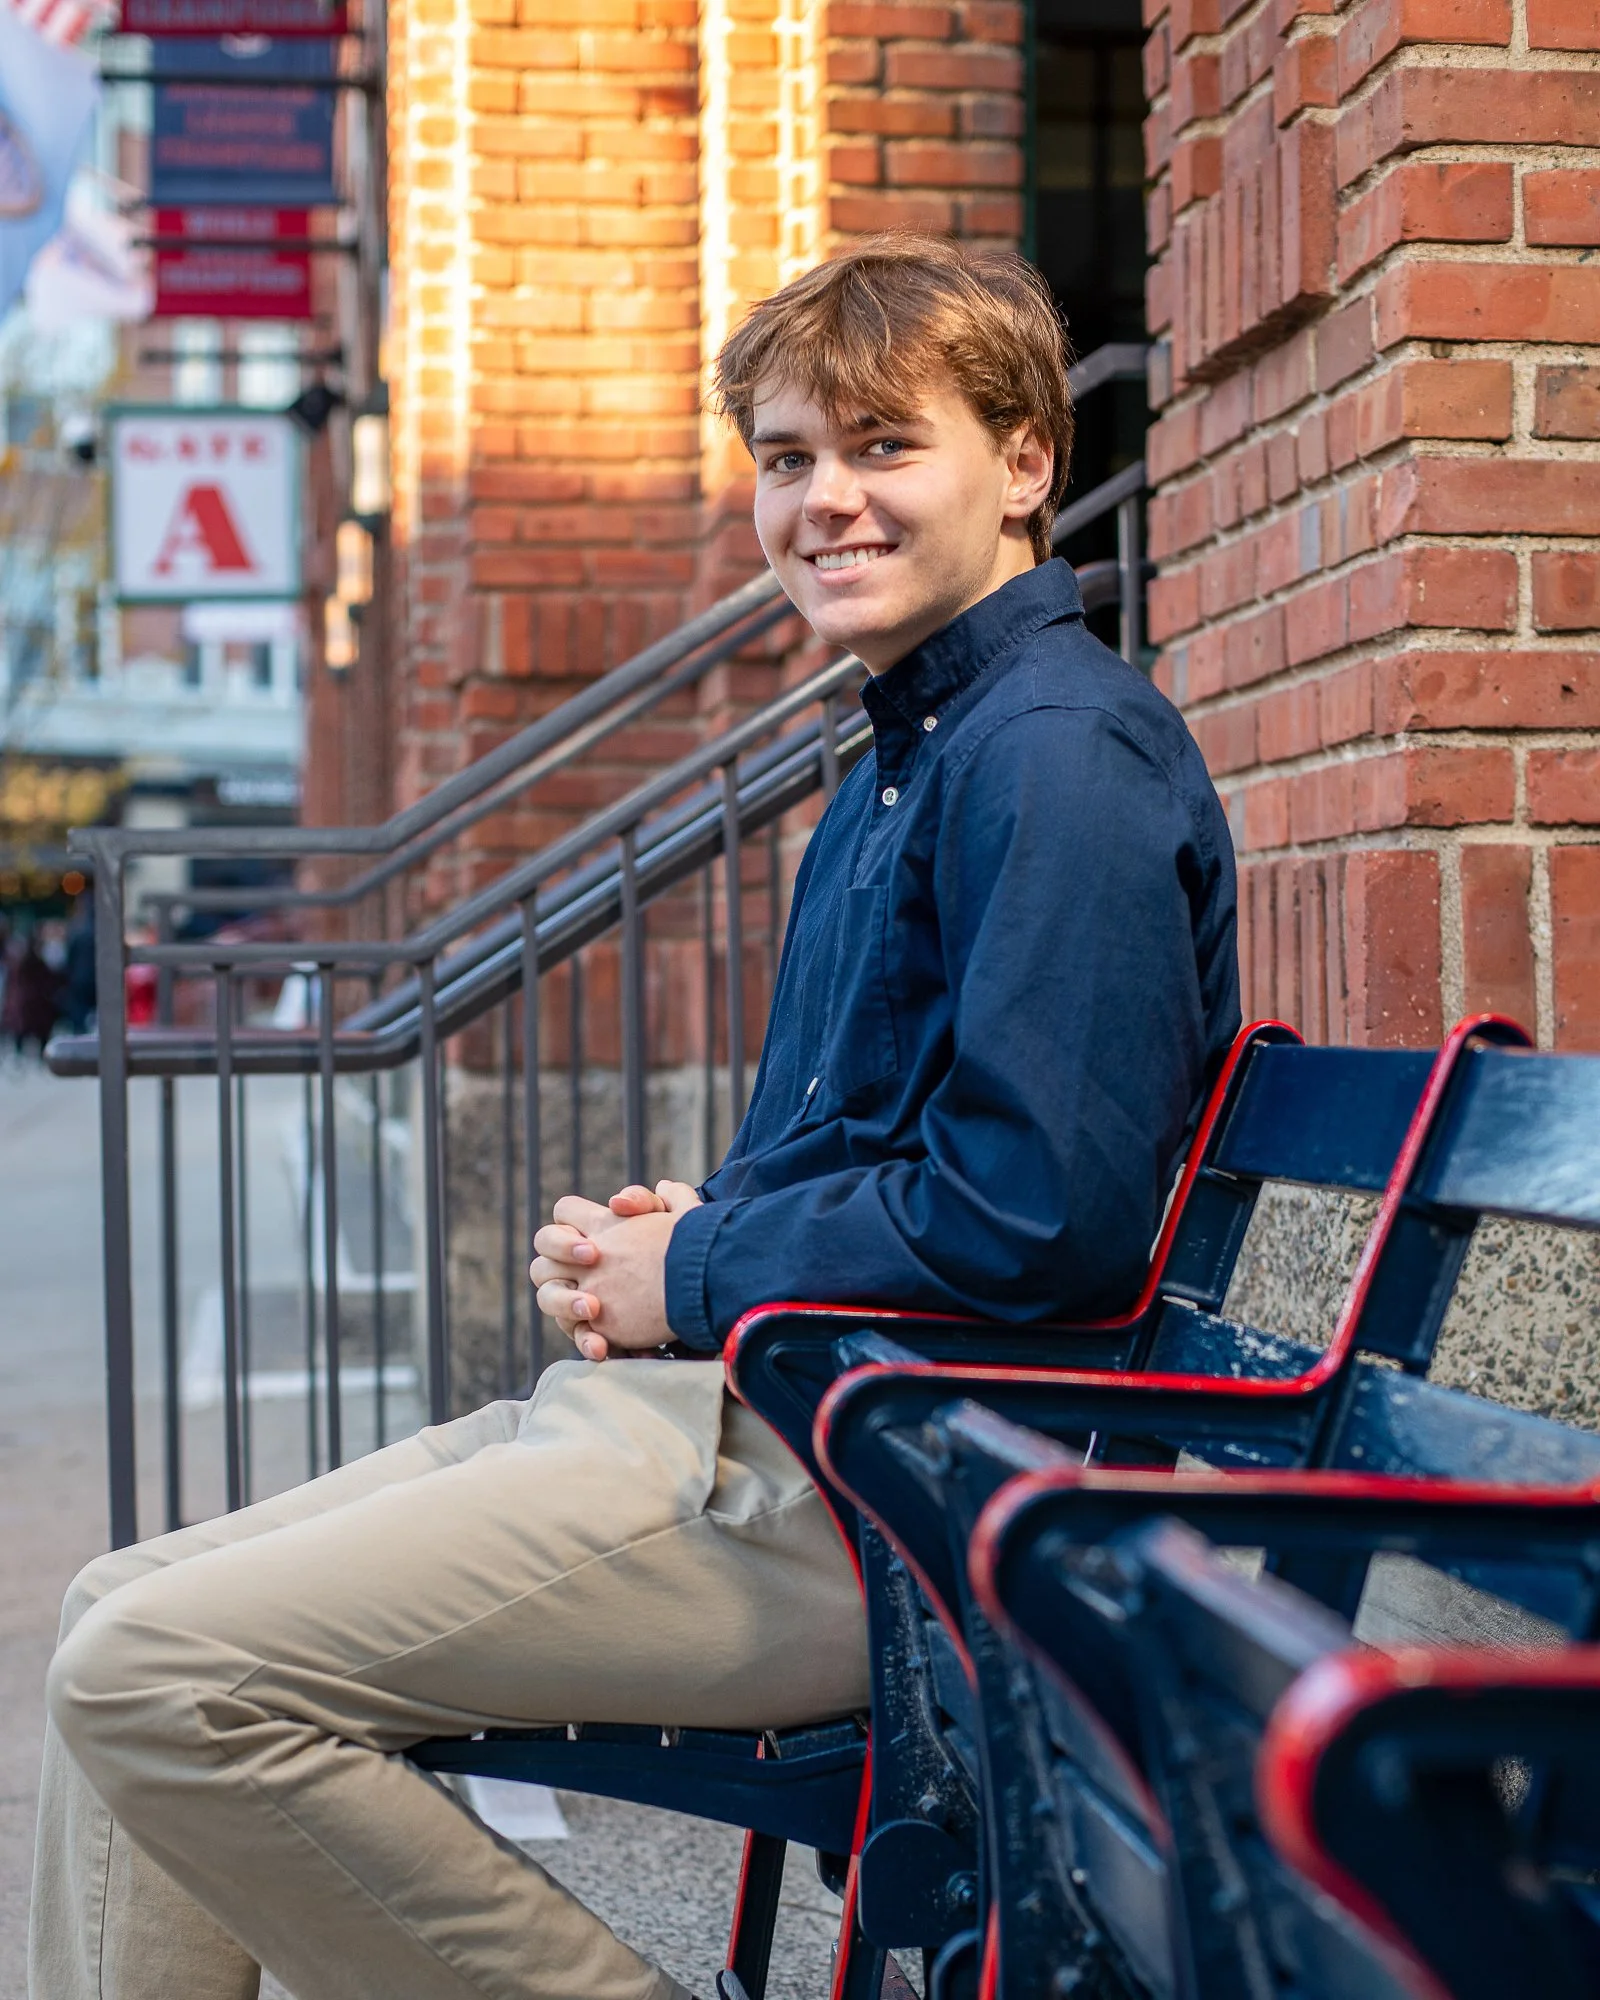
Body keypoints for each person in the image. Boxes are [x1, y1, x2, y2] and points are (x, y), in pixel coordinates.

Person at [33, 236, 1239, 2000]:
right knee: (110, 1614)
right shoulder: (907, 757)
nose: (824, 499)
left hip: (899, 1509)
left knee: (158, 1678)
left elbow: (1042, 1211)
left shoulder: (1058, 756)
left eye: (883, 447)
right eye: (785, 458)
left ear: (1028, 463)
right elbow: (893, 1158)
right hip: (775, 1423)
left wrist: (712, 1262)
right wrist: (682, 1231)